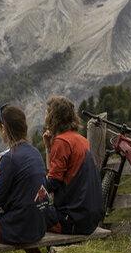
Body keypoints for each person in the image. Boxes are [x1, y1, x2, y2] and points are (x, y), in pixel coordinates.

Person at [0, 104, 47, 245]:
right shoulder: (35, 153)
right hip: (39, 226)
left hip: (19, 230)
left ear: (4, 129)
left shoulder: (10, 158)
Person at [38, 95, 105, 235]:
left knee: (28, 213)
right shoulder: (81, 140)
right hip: (89, 219)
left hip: (72, 220)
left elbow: (52, 183)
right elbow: (56, 175)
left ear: (53, 117)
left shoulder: (62, 142)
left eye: (46, 113)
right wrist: (48, 148)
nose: (45, 117)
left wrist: (30, 184)